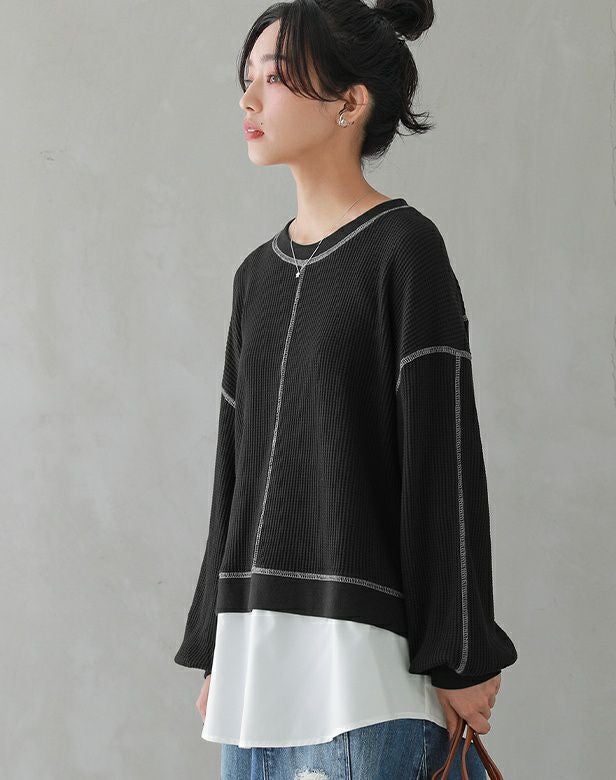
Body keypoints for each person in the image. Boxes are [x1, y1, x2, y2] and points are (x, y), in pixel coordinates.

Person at [173, 1, 518, 777]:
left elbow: (441, 462)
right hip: (254, 677)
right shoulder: (255, 279)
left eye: (274, 78)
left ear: (350, 102)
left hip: (363, 674)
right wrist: (217, 645)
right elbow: (237, 474)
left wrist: (461, 653)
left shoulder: (404, 250)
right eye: (246, 79)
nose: (248, 99)